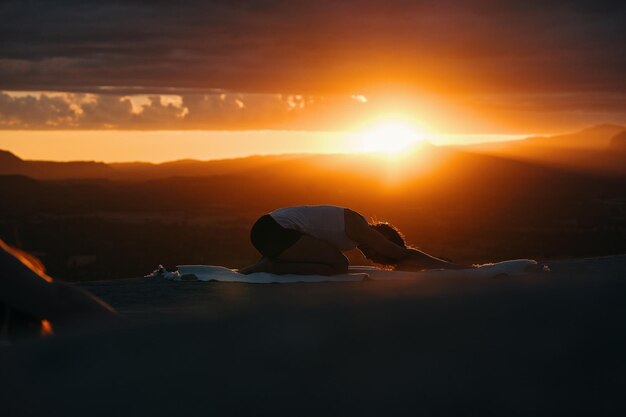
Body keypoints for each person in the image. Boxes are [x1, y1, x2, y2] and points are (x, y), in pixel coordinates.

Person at [239, 205, 467, 275]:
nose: (373, 256)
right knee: (339, 265)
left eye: (378, 259)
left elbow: (307, 248)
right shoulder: (361, 228)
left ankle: (267, 264)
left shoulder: (349, 237)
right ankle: (271, 266)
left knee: (334, 262)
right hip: (272, 231)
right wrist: (452, 268)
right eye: (380, 252)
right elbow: (404, 254)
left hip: (270, 232)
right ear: (382, 237)